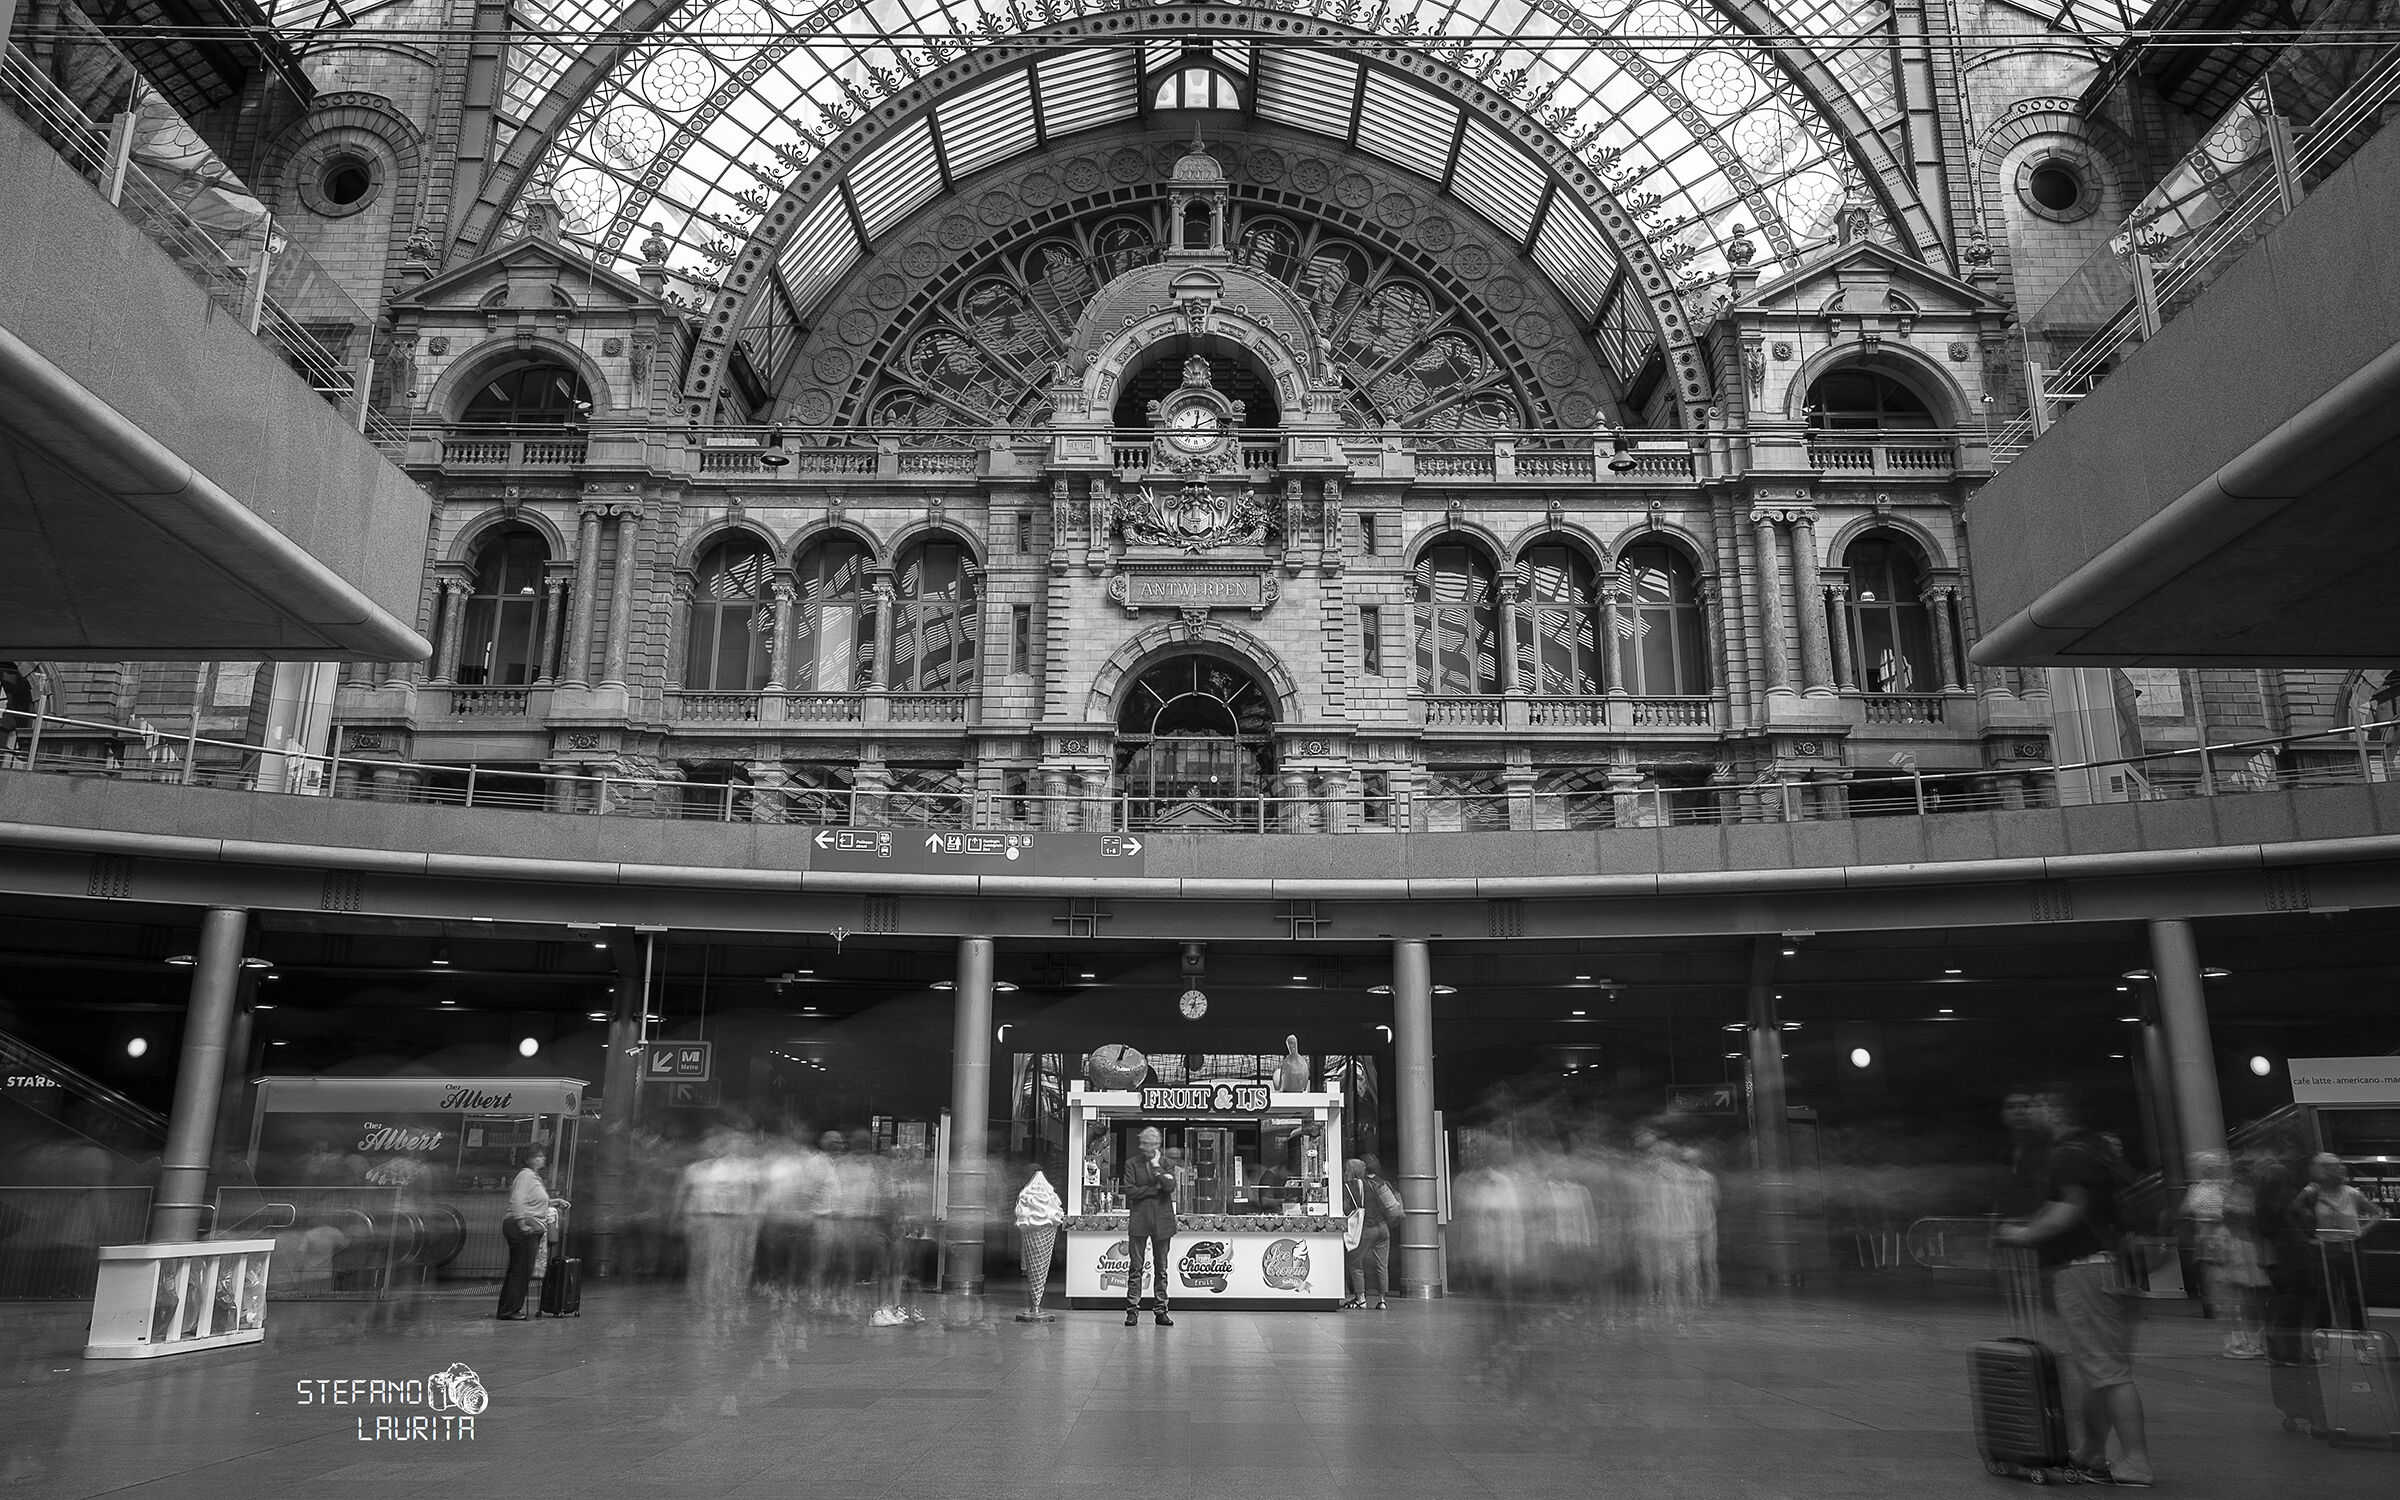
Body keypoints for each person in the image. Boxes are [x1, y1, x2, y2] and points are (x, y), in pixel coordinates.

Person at [1994, 1088, 2152, 1488]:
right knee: (2096, 1367)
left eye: (2040, 1105)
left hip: (2086, 1270)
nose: (2032, 1111)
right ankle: (2092, 1451)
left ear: (2059, 1111)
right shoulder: (2095, 1150)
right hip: (2108, 1267)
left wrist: (2021, 1233)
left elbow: (2068, 1212)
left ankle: (2135, 1461)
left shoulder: (2068, 1154)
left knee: (2109, 1371)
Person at [2301, 1152, 2384, 1329]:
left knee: (2356, 1298)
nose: (2339, 1169)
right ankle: (2321, 1344)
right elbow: (2293, 1212)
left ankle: (2360, 1342)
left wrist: (2362, 1230)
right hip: (2326, 1250)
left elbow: (2379, 1212)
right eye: (2332, 1166)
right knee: (2325, 1298)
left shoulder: (2352, 1193)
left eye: (2339, 1165)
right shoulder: (2313, 1192)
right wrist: (2308, 1237)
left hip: (2352, 1249)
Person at [497, 1149, 568, 1320]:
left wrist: (553, 1202)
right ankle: (509, 1310)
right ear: (528, 1159)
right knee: (520, 1269)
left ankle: (508, 1308)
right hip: (522, 1225)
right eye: (537, 1156)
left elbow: (533, 1201)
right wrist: (522, 1222)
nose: (542, 1159)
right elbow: (517, 1199)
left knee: (519, 1269)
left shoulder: (534, 1177)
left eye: (542, 1156)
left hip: (525, 1225)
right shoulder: (525, 1176)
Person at [1121, 1126, 1176, 1327]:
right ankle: (1132, 1311)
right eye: (1144, 1143)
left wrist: (1155, 1167)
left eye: (1151, 1144)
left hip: (1162, 1222)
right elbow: (1129, 1191)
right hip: (1140, 1221)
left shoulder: (1166, 1163)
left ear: (1158, 1145)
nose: (1147, 1147)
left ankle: (1161, 1310)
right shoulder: (1131, 1164)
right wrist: (1155, 1190)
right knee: (1135, 1267)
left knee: (1161, 1268)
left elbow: (1170, 1187)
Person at [1015, 1167, 1064, 1322]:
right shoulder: (1040, 1195)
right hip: (1039, 1220)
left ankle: (1036, 1304)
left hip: (1036, 1219)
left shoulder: (1031, 1194)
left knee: (1037, 1265)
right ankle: (1036, 1304)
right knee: (1039, 1265)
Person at [1343, 1158, 1392, 1309]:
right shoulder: (1374, 1183)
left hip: (1365, 1229)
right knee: (1382, 1265)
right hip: (1383, 1228)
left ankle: (1360, 1298)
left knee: (1355, 1262)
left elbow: (1345, 1207)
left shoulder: (1349, 1186)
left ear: (1350, 1171)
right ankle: (1382, 1300)